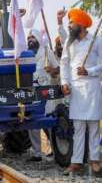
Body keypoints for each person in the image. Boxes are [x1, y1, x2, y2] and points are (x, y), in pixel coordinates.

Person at [61, 8, 102, 175]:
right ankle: (76, 162)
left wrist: (89, 71)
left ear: (81, 24)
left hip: (92, 86)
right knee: (78, 127)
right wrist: (64, 83)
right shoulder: (68, 42)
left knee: (93, 126)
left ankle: (94, 161)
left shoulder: (97, 41)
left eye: (72, 22)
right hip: (76, 90)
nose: (69, 25)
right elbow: (64, 64)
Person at [25, 29, 59, 162]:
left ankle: (55, 150)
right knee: (32, 122)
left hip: (45, 91)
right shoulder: (25, 53)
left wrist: (52, 70)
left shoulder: (46, 51)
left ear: (38, 38)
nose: (30, 40)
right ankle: (37, 153)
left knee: (48, 121)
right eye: (28, 38)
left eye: (32, 37)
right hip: (30, 91)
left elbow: (57, 69)